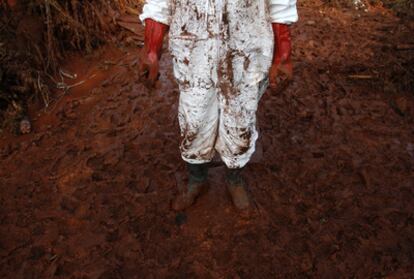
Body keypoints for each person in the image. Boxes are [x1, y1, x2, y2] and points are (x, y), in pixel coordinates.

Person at [139, 0, 298, 210]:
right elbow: (160, 4)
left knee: (240, 124)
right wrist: (151, 50)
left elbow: (280, 3)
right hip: (194, 52)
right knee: (194, 124)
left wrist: (283, 56)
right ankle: (197, 180)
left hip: (246, 48)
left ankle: (234, 179)